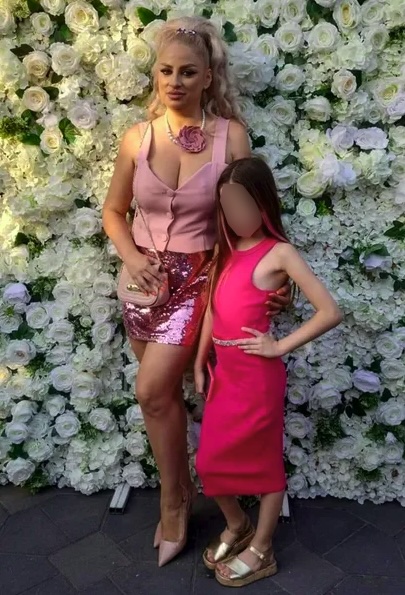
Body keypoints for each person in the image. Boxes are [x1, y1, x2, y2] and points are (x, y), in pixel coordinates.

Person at [102, 17, 290, 567]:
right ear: (155, 76)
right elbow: (114, 214)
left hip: (201, 282)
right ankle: (183, 493)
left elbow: (249, 219)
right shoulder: (136, 138)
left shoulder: (229, 135)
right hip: (140, 283)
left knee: (150, 390)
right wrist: (134, 259)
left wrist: (273, 282)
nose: (175, 81)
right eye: (166, 71)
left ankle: (174, 504)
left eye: (188, 71)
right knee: (161, 400)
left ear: (209, 76)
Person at [194, 157, 343, 588]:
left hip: (258, 380)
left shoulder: (280, 253)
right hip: (226, 376)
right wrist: (201, 360)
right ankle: (237, 524)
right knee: (208, 462)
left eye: (243, 204)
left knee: (263, 467)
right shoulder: (227, 250)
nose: (236, 215)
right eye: (227, 206)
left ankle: (261, 547)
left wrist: (278, 345)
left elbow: (329, 310)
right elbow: (212, 310)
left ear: (263, 202)